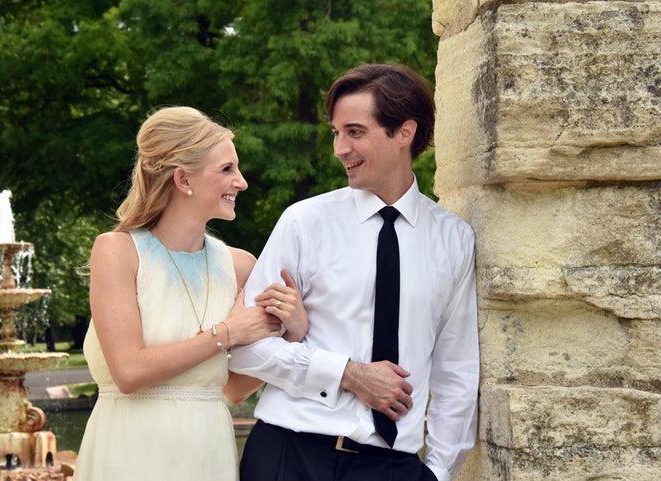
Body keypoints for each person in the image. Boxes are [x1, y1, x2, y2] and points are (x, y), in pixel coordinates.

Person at [229, 64, 479, 481]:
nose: (339, 148)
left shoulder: (454, 239)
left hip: (394, 467)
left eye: (355, 132)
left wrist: (437, 472)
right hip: (289, 454)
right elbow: (247, 348)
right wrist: (347, 374)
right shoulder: (304, 222)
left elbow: (457, 369)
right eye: (336, 132)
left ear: (405, 133)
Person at [72, 106, 307, 481]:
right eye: (227, 169)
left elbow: (232, 389)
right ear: (183, 180)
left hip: (208, 452)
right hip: (128, 451)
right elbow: (128, 372)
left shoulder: (242, 266)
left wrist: (293, 334)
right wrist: (227, 334)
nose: (242, 182)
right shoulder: (117, 251)